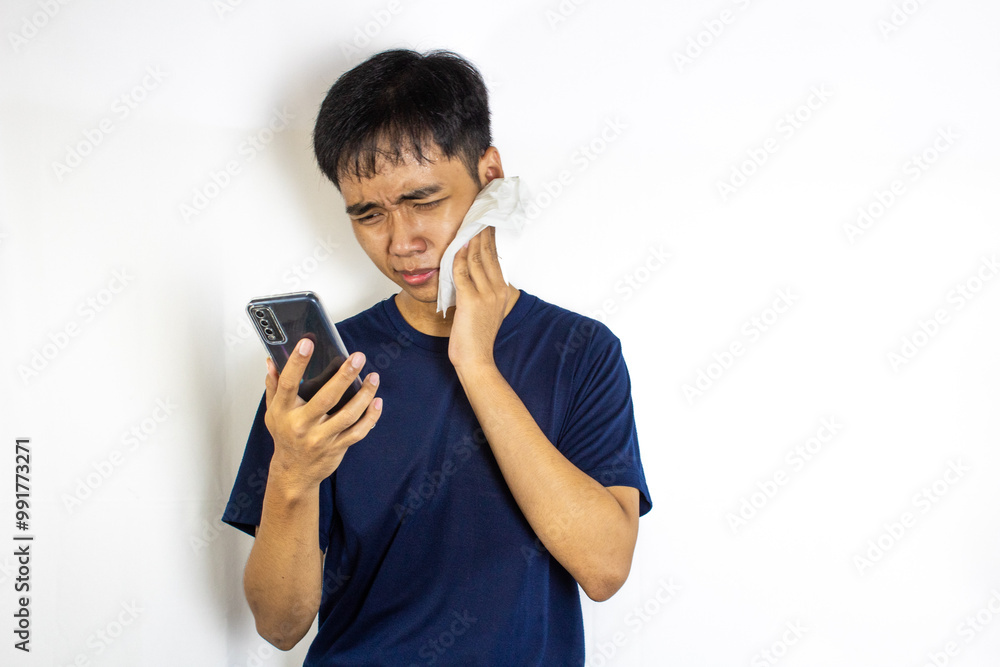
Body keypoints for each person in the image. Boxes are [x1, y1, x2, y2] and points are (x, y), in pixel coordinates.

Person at [222, 48, 652, 666]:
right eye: (369, 214)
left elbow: (605, 568)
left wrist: (476, 364)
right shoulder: (324, 372)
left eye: (423, 200)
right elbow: (280, 624)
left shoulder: (580, 352)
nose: (402, 242)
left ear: (490, 174)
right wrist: (292, 471)